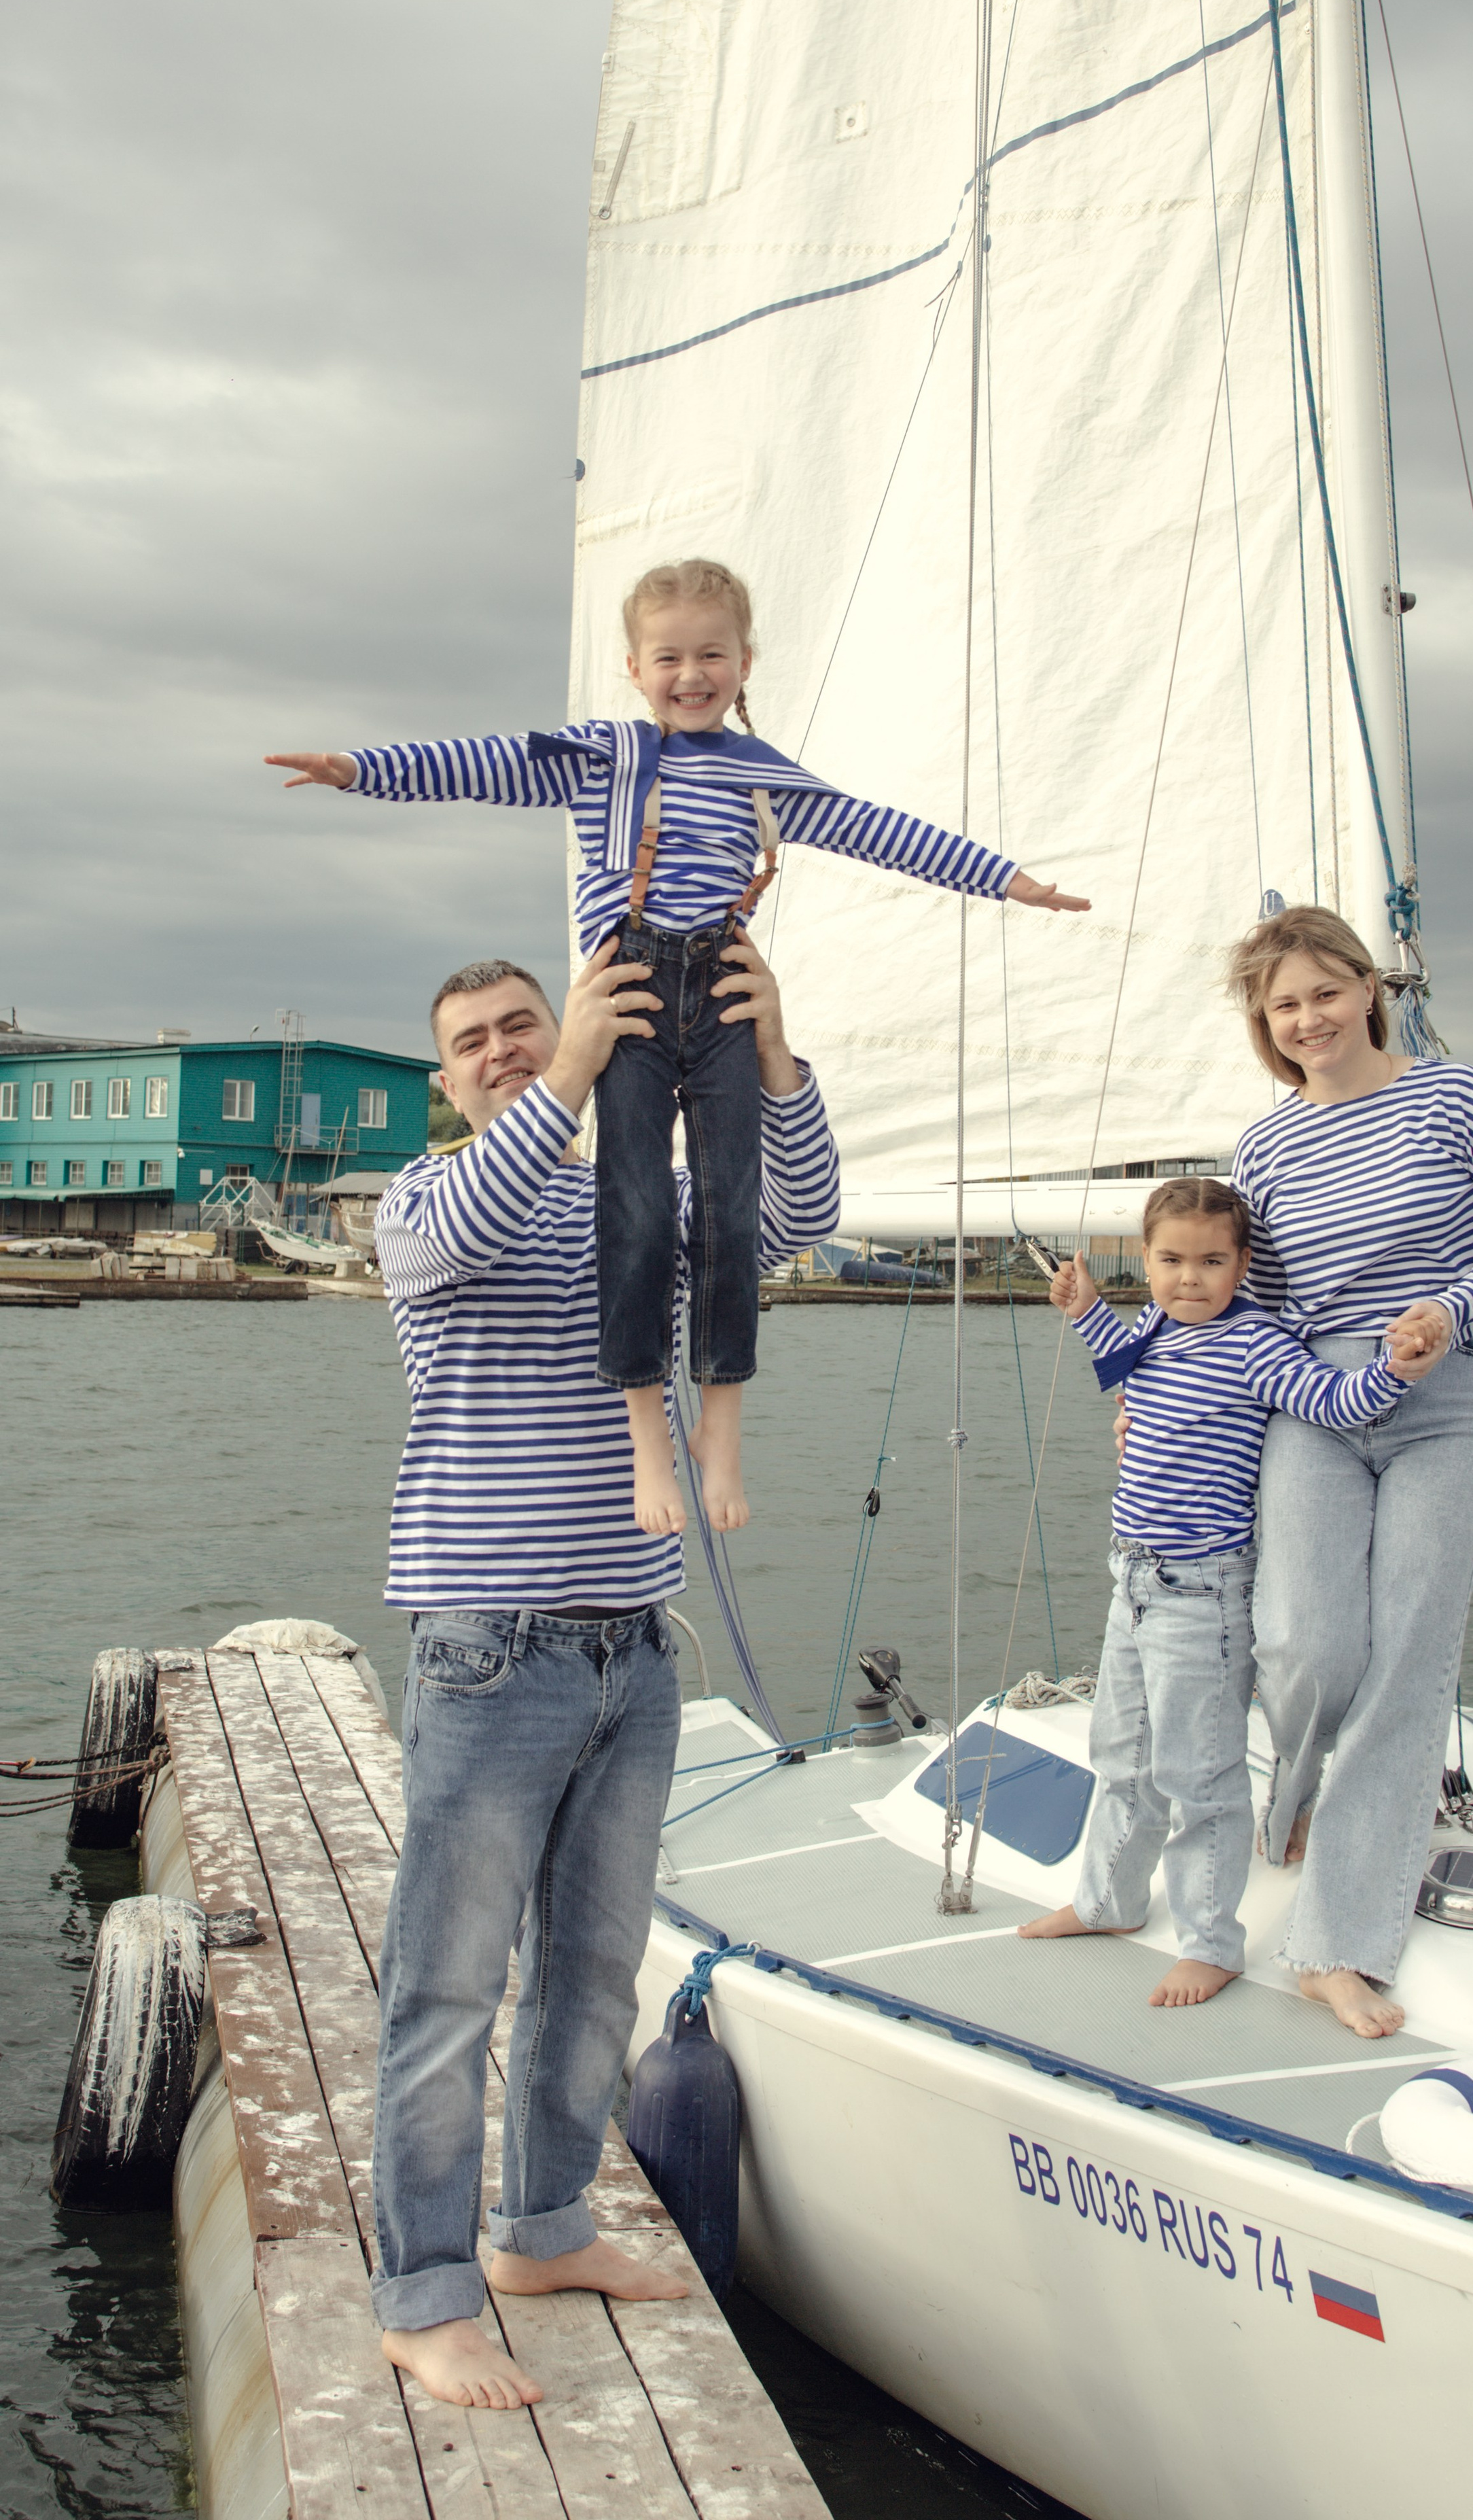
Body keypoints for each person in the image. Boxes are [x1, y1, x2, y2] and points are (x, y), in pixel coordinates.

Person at [268, 557, 1086, 1540]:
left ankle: (722, 1431)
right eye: (669, 656)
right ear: (632, 666)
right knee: (641, 1208)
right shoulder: (603, 755)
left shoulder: (763, 777)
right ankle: (650, 1438)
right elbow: (481, 764)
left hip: (730, 992)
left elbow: (884, 833)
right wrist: (360, 770)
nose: (690, 673)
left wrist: (1010, 882)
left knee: (732, 1209)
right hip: (633, 994)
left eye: (712, 654)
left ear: (746, 663)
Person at [366, 931, 840, 2411]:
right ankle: (425, 2293)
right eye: (477, 1042)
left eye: (523, 1023)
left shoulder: (649, 1200)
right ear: (448, 1081)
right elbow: (487, 1199)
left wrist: (773, 1057)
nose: (504, 1047)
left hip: (635, 1656)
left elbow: (802, 1212)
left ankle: (543, 2231)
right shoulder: (429, 1202)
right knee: (446, 1994)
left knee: (587, 1982)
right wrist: (573, 1064)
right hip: (488, 1650)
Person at [1225, 905, 1473, 2040]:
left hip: (1445, 1396)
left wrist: (1446, 1313)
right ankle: (1301, 1796)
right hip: (1315, 1401)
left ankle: (1337, 1945)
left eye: (1326, 991)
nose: (1309, 1017)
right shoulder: (1263, 1149)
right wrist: (1159, 1395)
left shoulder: (1458, 1097)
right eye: (1284, 1005)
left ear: (1368, 989)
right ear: (1267, 1025)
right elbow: (1251, 1309)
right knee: (1308, 1645)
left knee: (1409, 1659)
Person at [1018, 1178, 1431, 2004]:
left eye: (1211, 1262)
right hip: (1129, 1576)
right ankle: (1109, 1901)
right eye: (1170, 1261)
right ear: (1145, 1261)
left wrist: (1391, 1370)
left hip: (1201, 1592)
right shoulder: (1153, 1327)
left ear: (1243, 1265)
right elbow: (1121, 1367)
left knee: (1196, 1773)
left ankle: (1211, 1941)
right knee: (1120, 1757)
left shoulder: (1256, 1344)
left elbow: (1332, 1400)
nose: (1189, 1279)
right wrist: (1085, 1309)